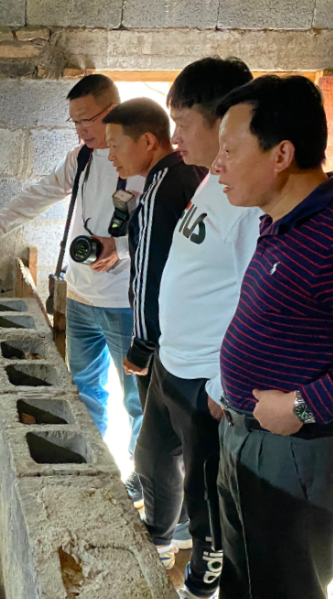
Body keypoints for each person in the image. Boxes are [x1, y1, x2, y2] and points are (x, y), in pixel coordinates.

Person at [214, 75, 333, 599]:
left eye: (229, 150)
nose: (217, 166)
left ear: (281, 153)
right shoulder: (280, 220)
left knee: (286, 587)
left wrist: (304, 407)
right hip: (246, 434)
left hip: (295, 450)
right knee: (243, 578)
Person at [0, 75, 149, 504]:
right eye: (75, 122)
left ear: (113, 110)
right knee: (84, 390)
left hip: (125, 302)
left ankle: (145, 480)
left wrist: (120, 248)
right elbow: (43, 192)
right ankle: (92, 468)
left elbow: (163, 230)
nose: (81, 130)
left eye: (88, 120)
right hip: (81, 296)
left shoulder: (143, 163)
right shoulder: (81, 158)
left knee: (136, 400)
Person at [132, 57, 257, 599]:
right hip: (171, 362)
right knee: (152, 460)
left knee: (208, 496)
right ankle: (155, 545)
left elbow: (256, 303)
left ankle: (200, 585)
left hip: (207, 380)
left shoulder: (251, 203)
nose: (174, 136)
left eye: (183, 123)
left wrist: (224, 387)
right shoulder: (211, 181)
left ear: (224, 121)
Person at [101, 97, 208, 568]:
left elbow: (149, 272)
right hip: (186, 339)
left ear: (148, 141)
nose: (110, 156)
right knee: (175, 444)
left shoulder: (164, 185)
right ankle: (179, 529)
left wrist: (142, 342)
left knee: (159, 448)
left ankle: (164, 536)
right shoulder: (191, 179)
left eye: (115, 145)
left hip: (169, 343)